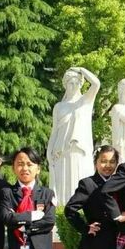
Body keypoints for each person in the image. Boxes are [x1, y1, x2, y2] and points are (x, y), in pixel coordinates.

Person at [47, 67, 100, 205]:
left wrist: (81, 70)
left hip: (79, 150)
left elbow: (96, 84)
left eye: (77, 82)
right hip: (61, 151)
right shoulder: (59, 107)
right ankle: (61, 212)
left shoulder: (85, 101)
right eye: (71, 82)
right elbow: (54, 131)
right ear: (65, 84)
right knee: (62, 184)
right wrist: (49, 152)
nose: (74, 86)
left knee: (80, 180)